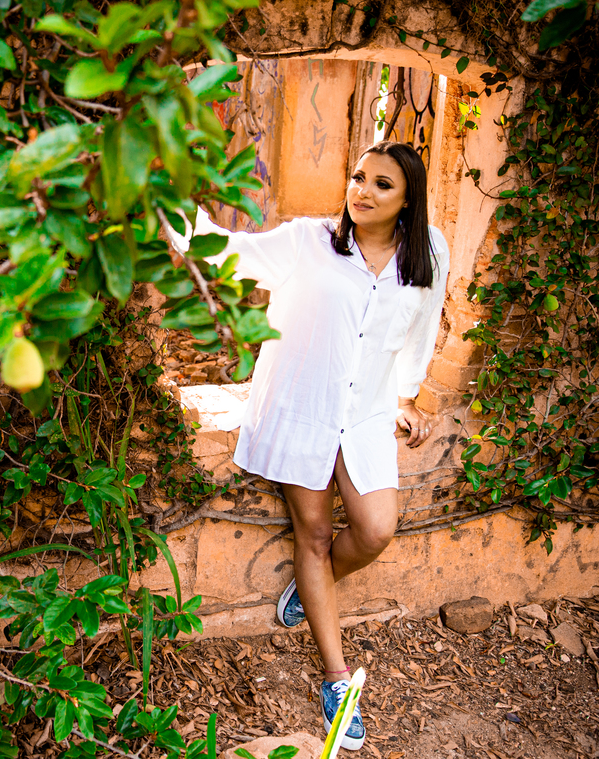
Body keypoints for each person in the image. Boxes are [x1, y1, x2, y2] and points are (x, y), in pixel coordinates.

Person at [179, 141, 449, 751]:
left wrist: (408, 393)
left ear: (408, 200)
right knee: (316, 537)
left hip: (367, 414)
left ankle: (310, 587)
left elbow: (422, 326)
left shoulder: (429, 252)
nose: (362, 191)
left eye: (382, 184)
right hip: (301, 408)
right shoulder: (309, 242)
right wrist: (153, 201)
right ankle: (335, 681)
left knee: (377, 530)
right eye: (357, 177)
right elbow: (225, 250)